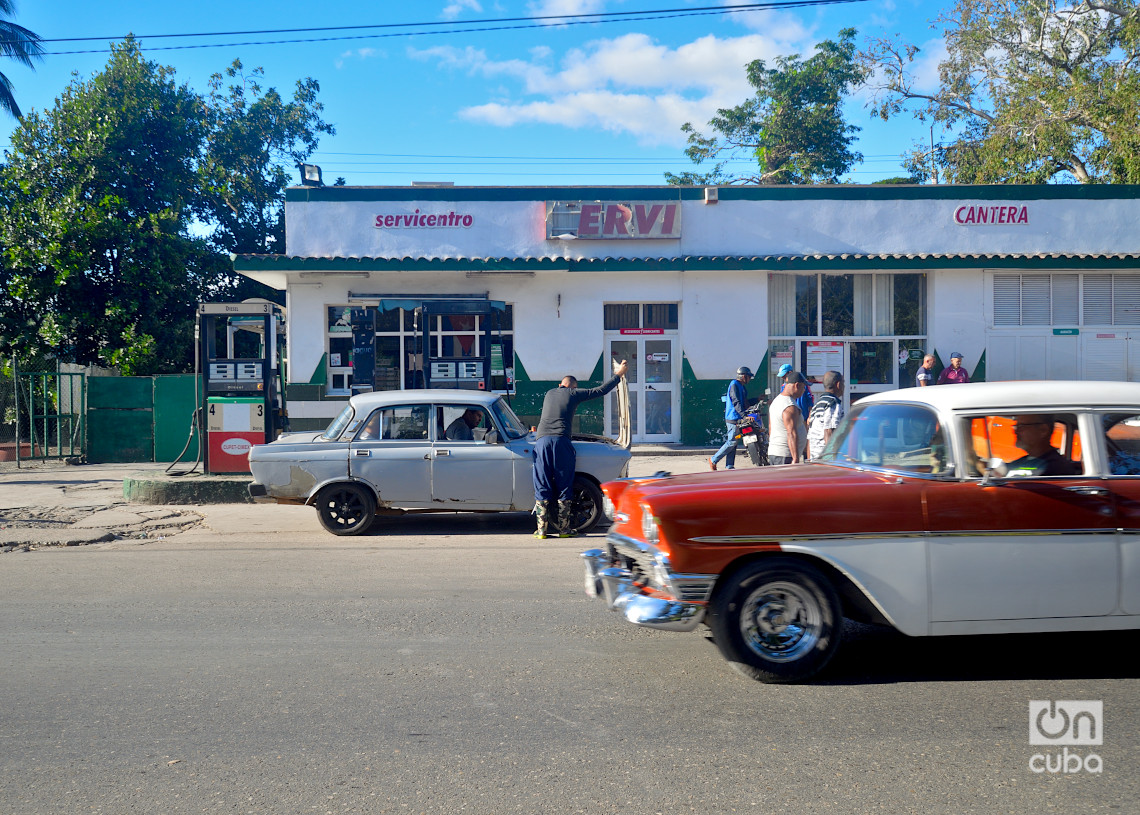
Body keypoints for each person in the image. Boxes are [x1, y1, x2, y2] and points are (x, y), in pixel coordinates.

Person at [532, 360, 629, 538]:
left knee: (542, 483)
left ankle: (541, 530)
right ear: (574, 387)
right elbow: (601, 390)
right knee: (564, 482)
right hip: (561, 441)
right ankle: (564, 529)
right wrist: (619, 375)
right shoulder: (573, 394)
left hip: (542, 441)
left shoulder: (549, 393)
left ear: (560, 384)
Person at [709, 366, 754, 471]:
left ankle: (729, 466)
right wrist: (744, 416)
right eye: (749, 377)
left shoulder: (742, 387)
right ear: (743, 376)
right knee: (732, 442)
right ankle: (714, 459)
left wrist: (757, 399)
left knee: (735, 441)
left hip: (738, 417)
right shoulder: (734, 385)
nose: (750, 379)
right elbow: (736, 402)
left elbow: (745, 402)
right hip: (733, 418)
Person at [1005, 414, 1081, 476]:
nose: (1015, 431)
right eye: (1016, 426)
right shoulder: (1022, 461)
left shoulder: (1056, 467)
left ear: (1043, 430)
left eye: (1021, 426)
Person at [767, 371, 808, 465]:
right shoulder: (789, 406)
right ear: (797, 385)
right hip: (785, 456)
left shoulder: (777, 401)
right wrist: (795, 458)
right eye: (803, 387)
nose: (804, 390)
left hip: (776, 452)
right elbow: (791, 433)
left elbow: (770, 427)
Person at [806, 370, 844, 460]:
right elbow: (829, 431)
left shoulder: (817, 406)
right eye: (843, 383)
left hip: (814, 459)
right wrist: (832, 460)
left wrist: (809, 460)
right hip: (826, 460)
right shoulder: (833, 404)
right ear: (838, 384)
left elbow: (810, 437)